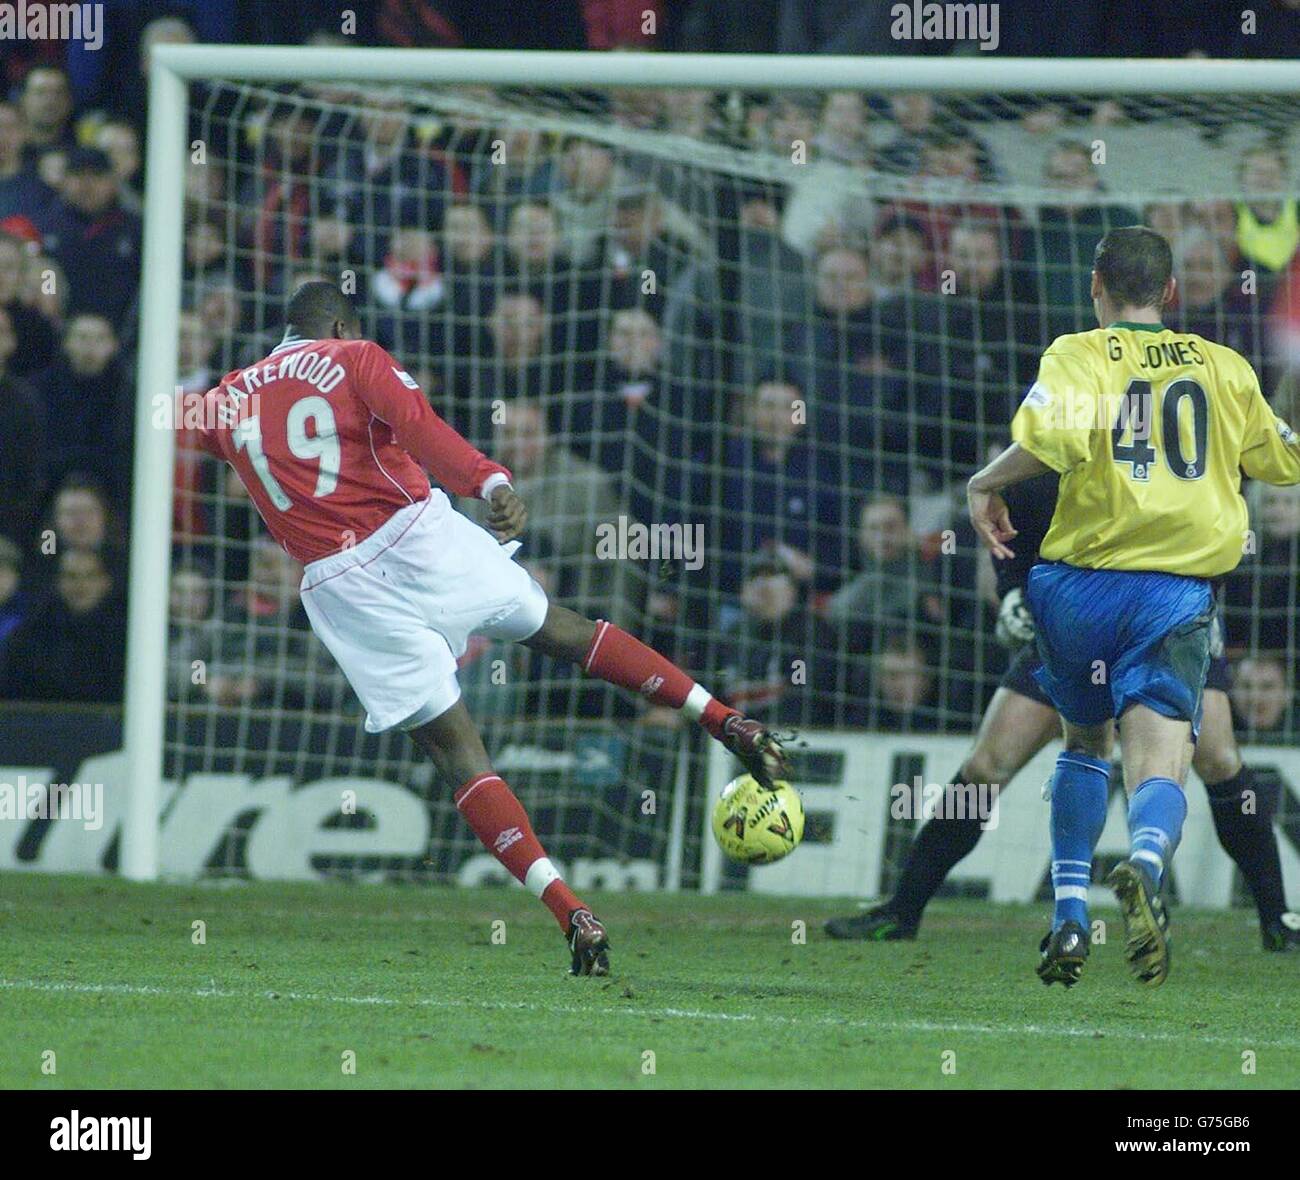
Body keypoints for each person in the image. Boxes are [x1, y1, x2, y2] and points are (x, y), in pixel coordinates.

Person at [195, 281, 786, 977]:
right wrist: (491, 481)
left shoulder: (227, 398)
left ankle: (571, 910)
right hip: (417, 536)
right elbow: (419, 426)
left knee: (460, 759)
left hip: (342, 583)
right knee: (564, 632)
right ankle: (723, 719)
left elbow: (179, 424)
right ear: (338, 323)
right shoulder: (354, 356)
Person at [965, 226, 1300, 988]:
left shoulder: (1077, 354)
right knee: (1163, 761)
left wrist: (983, 482)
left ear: (1096, 286)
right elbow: (1286, 457)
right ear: (1171, 291)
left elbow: (1044, 444)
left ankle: (1071, 915)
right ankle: (1146, 864)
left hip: (1075, 590)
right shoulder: (1224, 367)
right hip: (1173, 594)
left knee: (1084, 747)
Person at [825, 470, 1300, 954]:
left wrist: (1206, 597)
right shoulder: (1057, 442)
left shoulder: (1162, 436)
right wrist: (1012, 589)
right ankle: (902, 911)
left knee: (1219, 760)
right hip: (1076, 623)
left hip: (1164, 621)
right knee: (989, 762)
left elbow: (1211, 514)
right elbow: (1013, 518)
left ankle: (1276, 919)